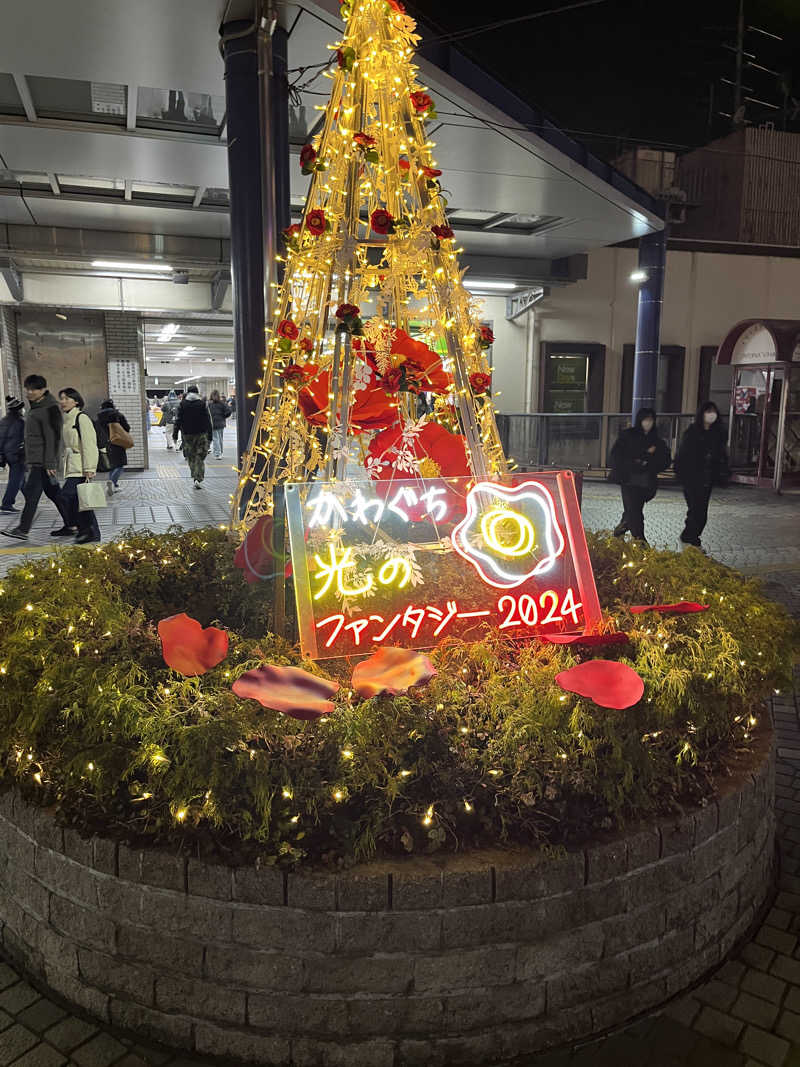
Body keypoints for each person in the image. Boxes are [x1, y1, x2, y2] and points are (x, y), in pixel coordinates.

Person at [2, 375, 70, 541]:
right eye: (28, 389)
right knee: (55, 494)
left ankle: (22, 529)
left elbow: (52, 437)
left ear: (43, 390)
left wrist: (50, 463)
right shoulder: (37, 407)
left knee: (32, 494)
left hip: (43, 462)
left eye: (34, 389)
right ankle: (73, 524)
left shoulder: (48, 408)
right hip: (38, 460)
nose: (29, 392)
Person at [608, 407, 671, 545]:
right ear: (640, 420)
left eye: (650, 420)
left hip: (646, 483)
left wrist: (649, 463)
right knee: (635, 512)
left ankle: (622, 527)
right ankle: (640, 541)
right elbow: (617, 456)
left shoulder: (657, 440)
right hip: (628, 479)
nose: (648, 422)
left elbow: (665, 460)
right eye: (645, 419)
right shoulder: (628, 435)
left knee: (633, 510)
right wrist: (645, 455)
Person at [675, 401, 730, 550]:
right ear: (702, 414)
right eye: (708, 411)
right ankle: (687, 539)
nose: (711, 414)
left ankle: (693, 539)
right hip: (692, 478)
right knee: (695, 511)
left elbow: (721, 456)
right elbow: (683, 456)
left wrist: (722, 472)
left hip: (707, 479)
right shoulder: (692, 433)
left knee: (702, 513)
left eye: (713, 411)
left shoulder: (717, 434)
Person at [55, 388, 101, 544]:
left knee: (66, 496)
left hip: (81, 466)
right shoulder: (67, 419)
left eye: (67, 398)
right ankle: (89, 532)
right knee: (79, 500)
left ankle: (85, 529)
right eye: (61, 398)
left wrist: (90, 468)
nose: (63, 401)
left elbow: (89, 444)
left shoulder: (81, 418)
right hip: (72, 465)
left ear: (76, 401)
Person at [173, 385, 212, 488]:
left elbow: (178, 420)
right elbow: (208, 420)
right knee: (200, 455)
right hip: (201, 434)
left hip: (187, 434)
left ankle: (194, 475)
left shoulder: (182, 404)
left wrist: (175, 434)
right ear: (197, 392)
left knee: (191, 456)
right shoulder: (202, 404)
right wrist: (210, 436)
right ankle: (198, 478)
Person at [97, 399, 131, 496]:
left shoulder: (99, 417)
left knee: (112, 465)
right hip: (117, 442)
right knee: (120, 466)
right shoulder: (117, 415)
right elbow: (127, 428)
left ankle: (114, 485)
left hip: (105, 443)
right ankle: (112, 482)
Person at [0, 397, 26, 513]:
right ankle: (7, 503)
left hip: (8, 454)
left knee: (20, 478)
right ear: (19, 410)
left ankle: (31, 499)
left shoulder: (4, 421)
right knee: (16, 479)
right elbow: (24, 439)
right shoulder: (20, 422)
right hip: (17, 454)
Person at [208, 389, 232, 459]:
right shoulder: (222, 403)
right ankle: (220, 452)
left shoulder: (209, 404)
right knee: (220, 439)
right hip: (221, 423)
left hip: (213, 423)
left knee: (215, 439)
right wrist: (224, 416)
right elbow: (229, 411)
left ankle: (217, 454)